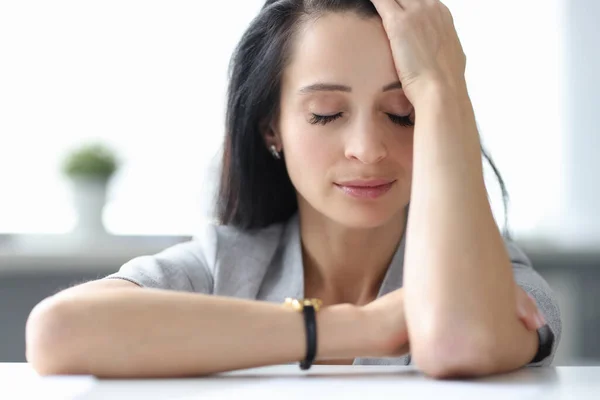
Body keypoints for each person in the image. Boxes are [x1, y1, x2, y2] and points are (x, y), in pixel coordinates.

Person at [25, 0, 561, 379]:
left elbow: (457, 341)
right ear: (271, 129)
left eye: (403, 113)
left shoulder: (499, 280)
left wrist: (445, 89)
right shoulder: (224, 265)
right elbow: (58, 334)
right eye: (326, 114)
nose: (368, 149)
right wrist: (362, 327)